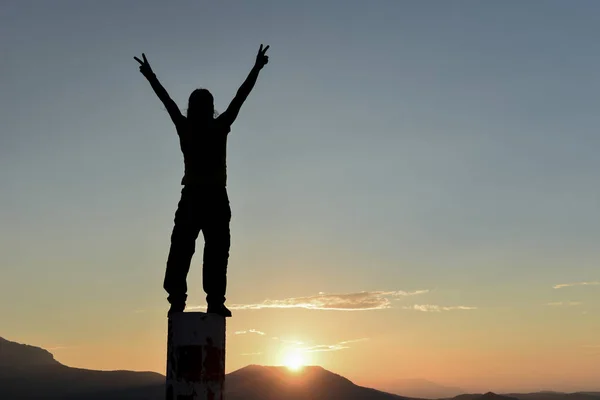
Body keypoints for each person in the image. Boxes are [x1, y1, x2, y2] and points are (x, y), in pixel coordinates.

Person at [134, 45, 270, 317]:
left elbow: (168, 101)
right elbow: (238, 97)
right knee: (201, 250)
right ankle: (193, 300)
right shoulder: (212, 127)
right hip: (204, 197)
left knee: (200, 250)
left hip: (203, 197)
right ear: (208, 109)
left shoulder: (196, 127)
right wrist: (256, 68)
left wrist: (150, 76)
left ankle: (200, 301)